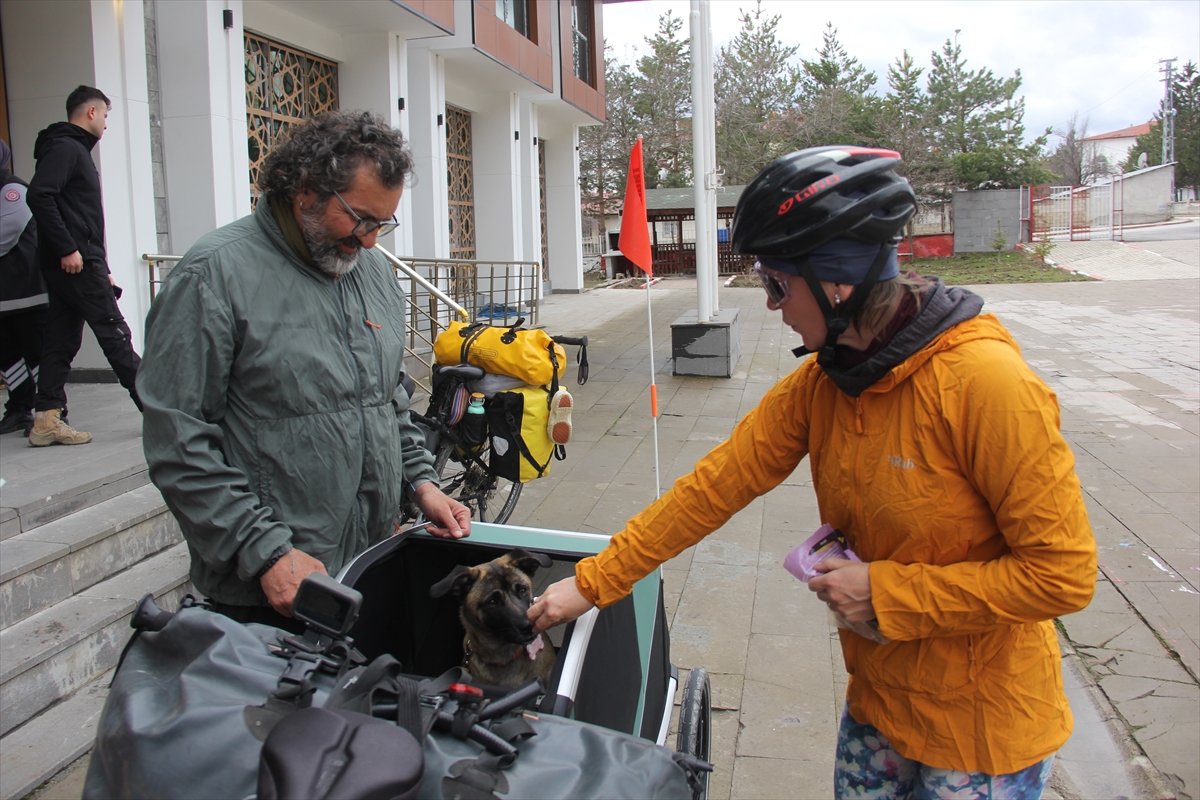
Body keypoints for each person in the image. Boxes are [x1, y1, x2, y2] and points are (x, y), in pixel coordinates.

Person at [529, 147, 1097, 798]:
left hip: (983, 734)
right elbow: (714, 487)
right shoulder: (828, 382)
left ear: (837, 284)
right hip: (880, 704)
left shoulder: (986, 385)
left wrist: (886, 593)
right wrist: (595, 582)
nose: (772, 306)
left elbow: (1063, 574)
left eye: (777, 285)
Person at [138, 111, 472, 630]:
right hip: (272, 589)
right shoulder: (213, 275)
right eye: (360, 218)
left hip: (369, 564)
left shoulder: (374, 272)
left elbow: (388, 401)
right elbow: (177, 442)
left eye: (382, 224)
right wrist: (265, 551)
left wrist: (422, 483)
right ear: (305, 191)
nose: (369, 240)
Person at [26, 85, 143, 446]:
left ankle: (46, 419)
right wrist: (69, 249)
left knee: (60, 339)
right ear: (91, 112)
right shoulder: (67, 148)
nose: (106, 123)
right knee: (115, 334)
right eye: (105, 114)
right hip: (74, 262)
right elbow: (39, 194)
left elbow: (79, 214)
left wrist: (100, 263)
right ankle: (162, 412)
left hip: (77, 262)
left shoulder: (69, 148)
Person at [0, 139, 46, 436]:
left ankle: (50, 412)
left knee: (37, 355)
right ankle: (19, 409)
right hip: (4, 296)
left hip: (26, 291)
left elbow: (7, 232)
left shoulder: (11, 190)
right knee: (7, 356)